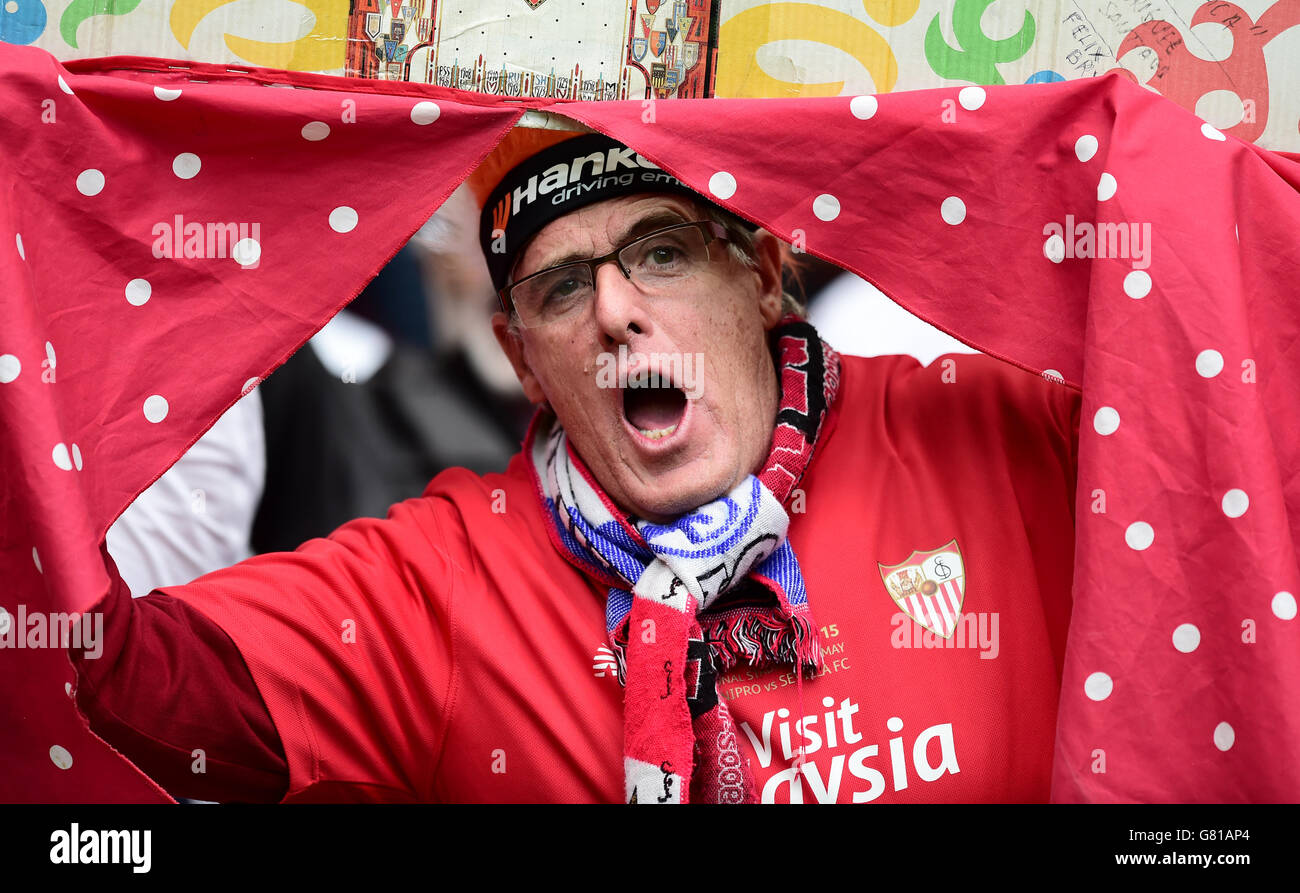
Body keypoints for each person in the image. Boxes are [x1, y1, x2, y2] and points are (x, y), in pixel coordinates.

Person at [72, 131, 1079, 803]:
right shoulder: (443, 580)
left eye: (663, 253)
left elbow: (1210, 417)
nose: (614, 309)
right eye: (560, 289)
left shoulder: (981, 429)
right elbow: (121, 678)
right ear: (523, 361)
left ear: (767, 278)